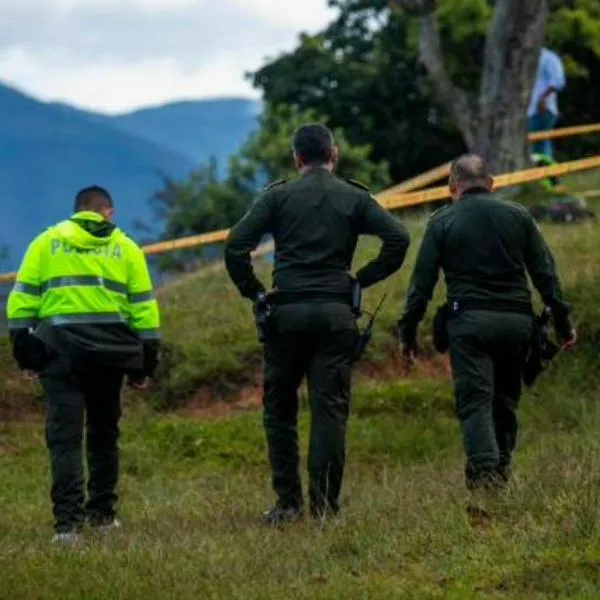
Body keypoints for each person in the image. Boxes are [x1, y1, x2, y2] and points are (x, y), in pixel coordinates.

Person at [225, 124, 410, 525]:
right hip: (335, 314)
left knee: (279, 409)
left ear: (296, 159)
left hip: (286, 314)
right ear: (335, 155)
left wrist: (255, 292)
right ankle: (325, 509)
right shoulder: (354, 197)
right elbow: (398, 239)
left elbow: (235, 245)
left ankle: (288, 504)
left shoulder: (277, 196)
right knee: (329, 411)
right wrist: (361, 278)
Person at [397, 155, 575, 496]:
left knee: (476, 401)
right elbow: (546, 276)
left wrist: (408, 334)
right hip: (517, 323)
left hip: (469, 324)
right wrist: (564, 324)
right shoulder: (519, 217)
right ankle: (501, 473)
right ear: (491, 184)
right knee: (506, 400)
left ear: (452, 188)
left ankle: (485, 480)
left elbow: (421, 286)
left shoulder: (442, 221)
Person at [6, 186, 161, 545]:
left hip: (60, 355)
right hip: (110, 357)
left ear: (77, 211)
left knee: (65, 440)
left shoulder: (45, 243)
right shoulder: (127, 248)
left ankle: (67, 527)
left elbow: (21, 305)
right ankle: (103, 516)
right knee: (104, 435)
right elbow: (145, 312)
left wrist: (27, 357)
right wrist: (144, 366)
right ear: (108, 211)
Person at [528, 47, 566, 159]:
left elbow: (558, 81)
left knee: (540, 143)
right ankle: (546, 172)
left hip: (541, 109)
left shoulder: (548, 57)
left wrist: (543, 98)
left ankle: (548, 173)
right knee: (539, 144)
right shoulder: (527, 57)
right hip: (530, 110)